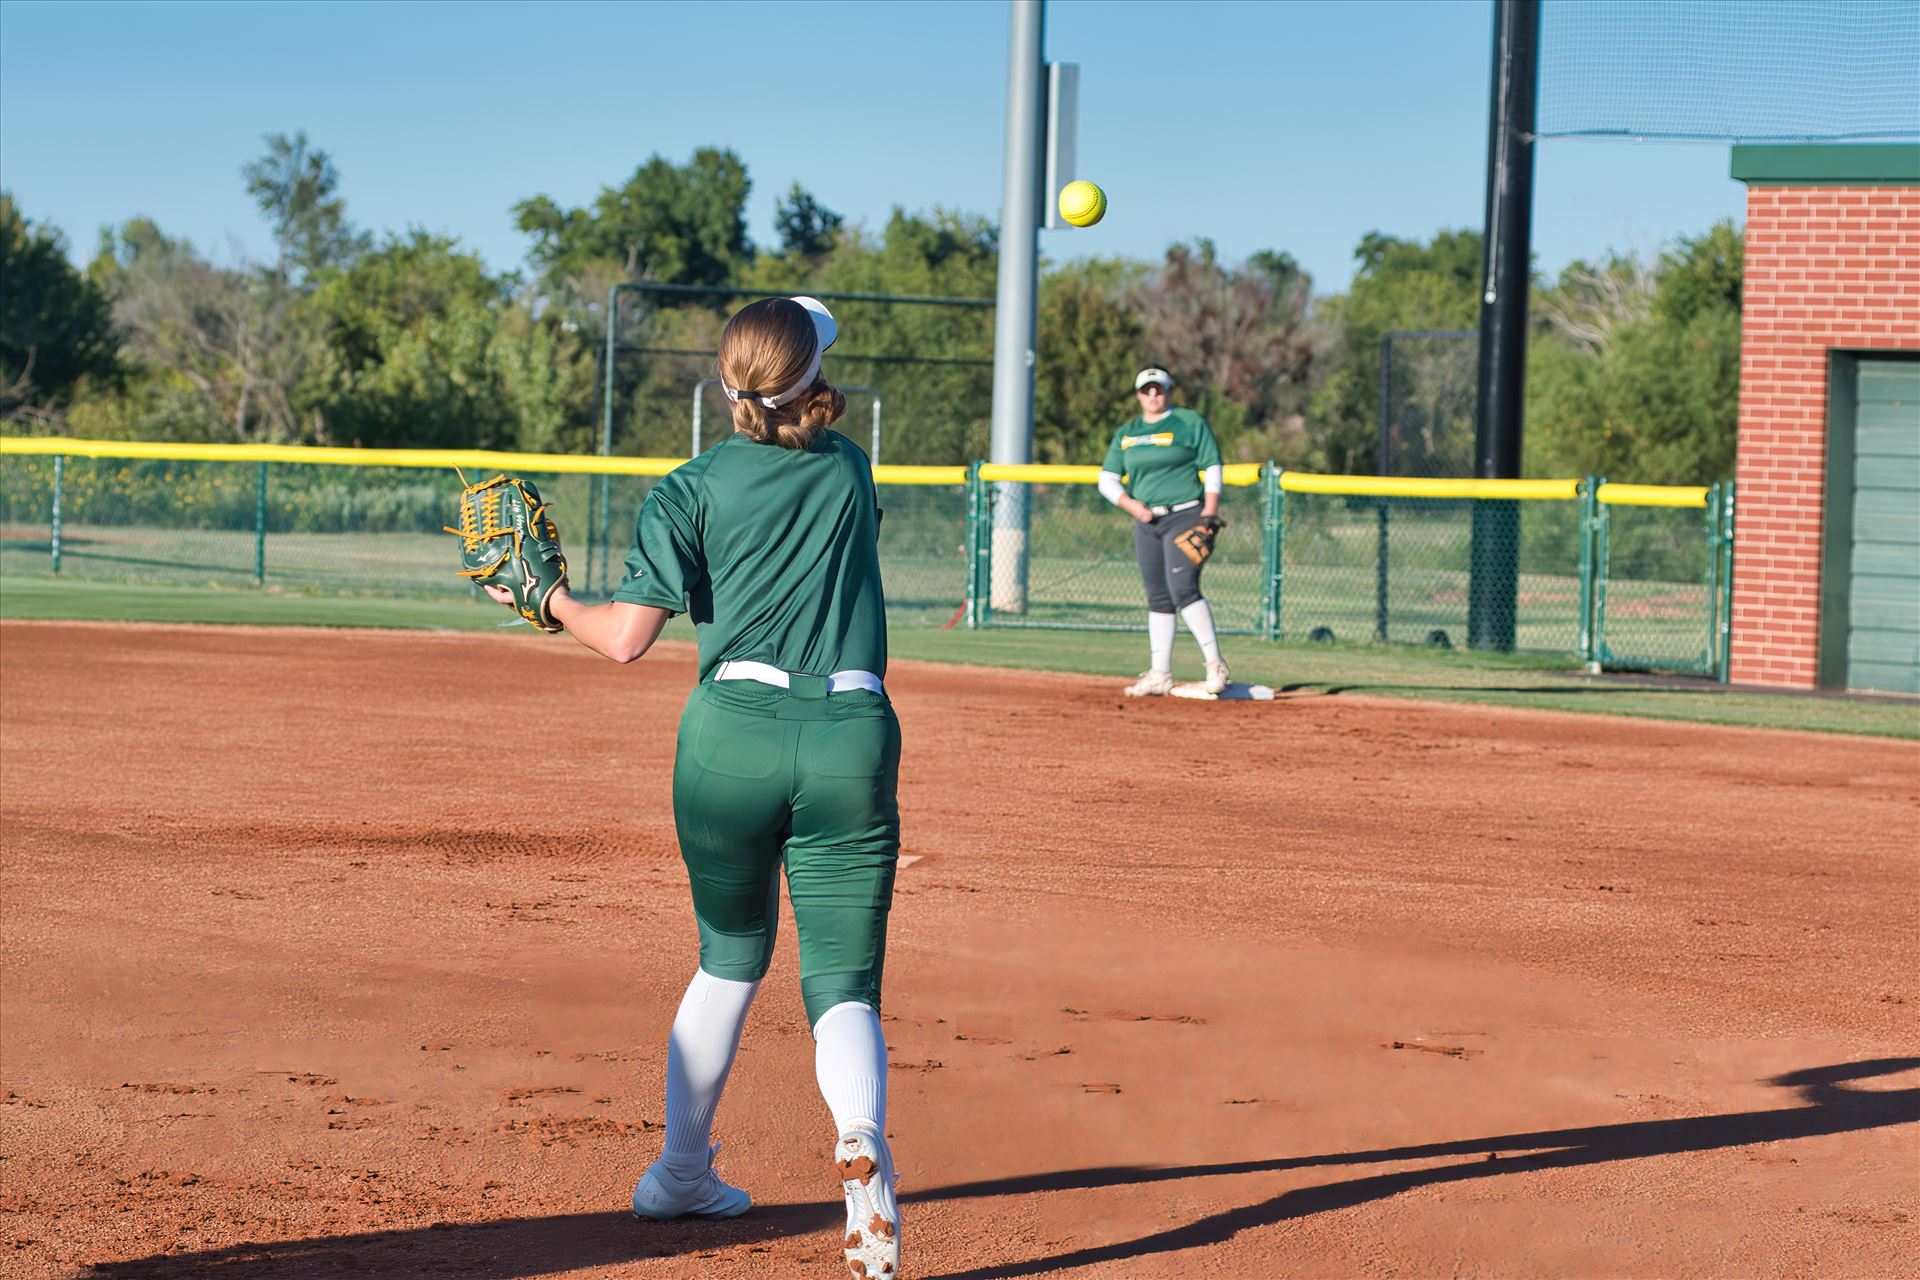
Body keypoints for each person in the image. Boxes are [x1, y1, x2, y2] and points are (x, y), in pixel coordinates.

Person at [484, 297, 902, 1279]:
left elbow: (626, 639)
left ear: (724, 384)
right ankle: (860, 1139)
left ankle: (679, 1173)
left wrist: (548, 598)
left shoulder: (689, 488)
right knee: (842, 983)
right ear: (813, 380)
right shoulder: (850, 467)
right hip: (850, 739)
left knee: (729, 960)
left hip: (729, 740)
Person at [1097, 366, 1230, 696]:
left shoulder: (1188, 422)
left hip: (1186, 514)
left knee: (1183, 589)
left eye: (1159, 389)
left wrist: (1210, 511)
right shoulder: (1127, 432)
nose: (1153, 395)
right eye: (1147, 390)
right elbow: (1107, 479)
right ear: (1138, 395)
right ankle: (1160, 673)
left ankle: (1215, 665)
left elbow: (1212, 465)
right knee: (1158, 596)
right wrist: (1131, 506)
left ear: (1169, 391)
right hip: (1147, 522)